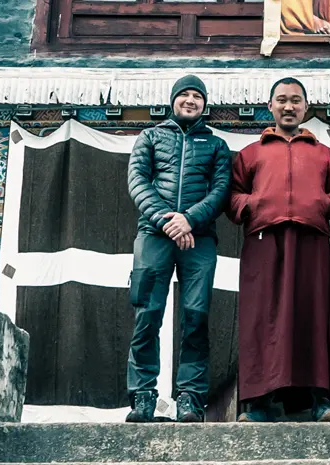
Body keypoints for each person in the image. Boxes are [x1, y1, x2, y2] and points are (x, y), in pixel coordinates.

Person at [228, 77, 330, 422]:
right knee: (262, 320)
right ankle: (260, 405)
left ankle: (322, 401)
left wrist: (324, 204)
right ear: (270, 106)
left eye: (296, 101)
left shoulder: (324, 154)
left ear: (305, 108)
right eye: (281, 100)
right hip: (264, 242)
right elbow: (233, 194)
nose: (288, 106)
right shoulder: (252, 153)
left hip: (311, 241)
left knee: (315, 316)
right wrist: (253, 205)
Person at [125, 75, 232, 423]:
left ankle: (190, 397)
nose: (190, 101)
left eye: (197, 96)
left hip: (198, 239)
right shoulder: (151, 137)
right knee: (147, 314)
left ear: (205, 104)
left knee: (196, 317)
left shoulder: (216, 146)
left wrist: (189, 221)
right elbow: (138, 181)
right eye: (184, 95)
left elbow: (220, 192)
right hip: (154, 235)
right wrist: (168, 221)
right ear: (173, 100)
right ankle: (142, 395)